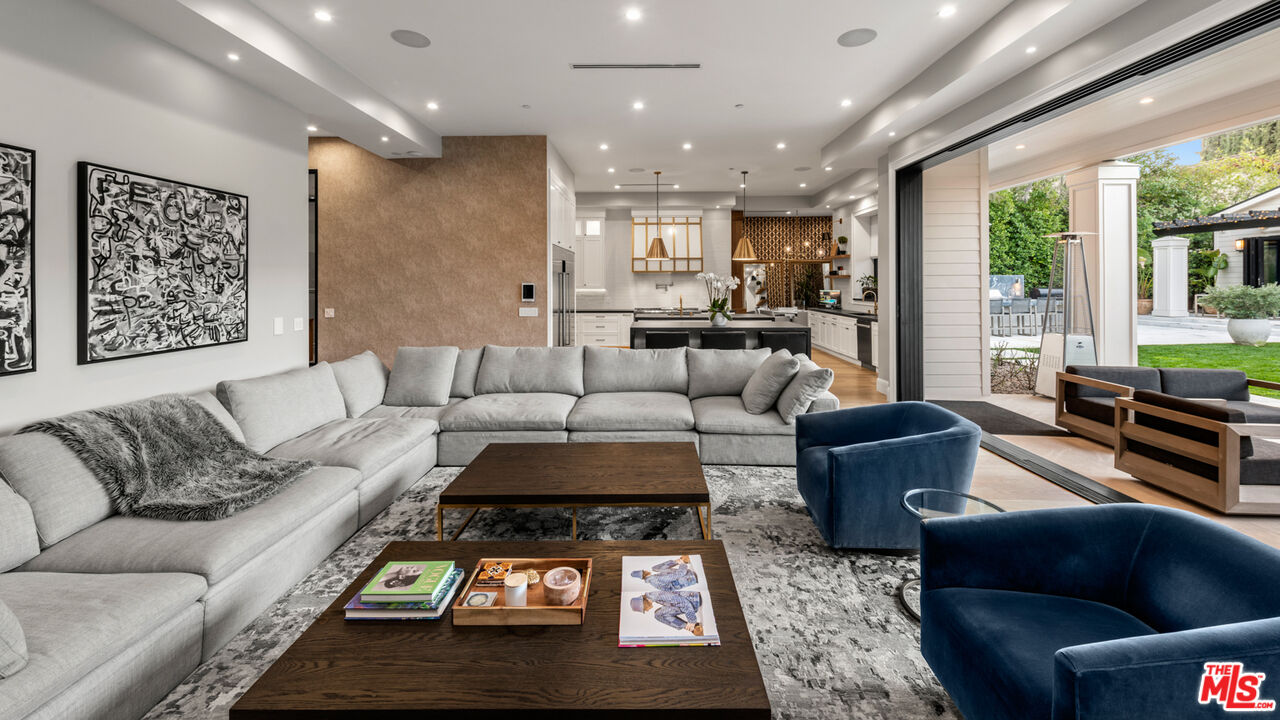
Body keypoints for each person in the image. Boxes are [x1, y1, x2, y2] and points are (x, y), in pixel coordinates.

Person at [629, 591, 704, 636]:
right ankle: (691, 628)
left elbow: (684, 603)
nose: (647, 610)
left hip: (694, 600)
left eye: (644, 609)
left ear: (643, 603)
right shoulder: (654, 596)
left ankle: (693, 627)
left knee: (659, 615)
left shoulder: (658, 596)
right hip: (693, 600)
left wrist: (691, 621)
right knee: (658, 615)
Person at [630, 555, 698, 591]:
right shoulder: (655, 579)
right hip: (691, 577)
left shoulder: (653, 579)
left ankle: (679, 560)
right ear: (644, 574)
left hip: (689, 576)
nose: (645, 570)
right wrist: (683, 563)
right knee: (655, 568)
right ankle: (681, 560)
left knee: (655, 568)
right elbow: (678, 575)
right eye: (643, 571)